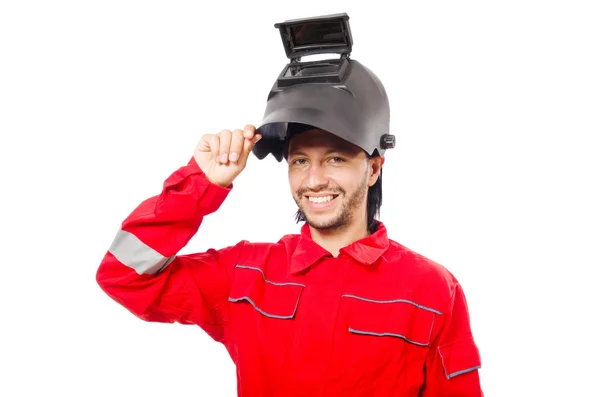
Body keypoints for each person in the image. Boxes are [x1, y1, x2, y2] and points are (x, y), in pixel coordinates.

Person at [96, 13, 483, 397]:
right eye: (300, 160)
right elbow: (124, 277)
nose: (313, 180)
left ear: (373, 168)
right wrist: (200, 184)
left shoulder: (433, 290)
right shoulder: (245, 275)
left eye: (336, 158)